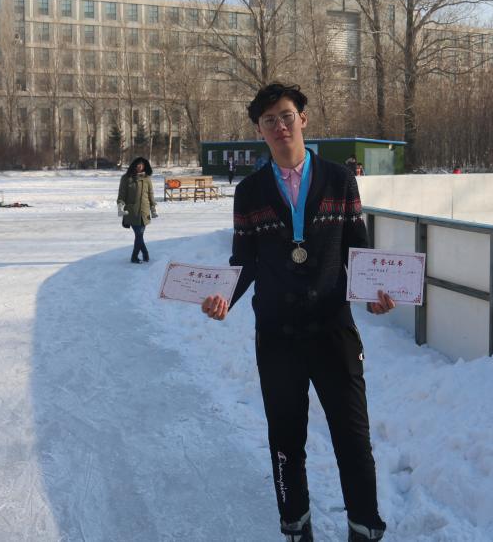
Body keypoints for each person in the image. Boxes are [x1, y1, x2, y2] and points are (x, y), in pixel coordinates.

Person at [201, 83, 393, 542]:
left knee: (353, 438)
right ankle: (296, 527)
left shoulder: (339, 180)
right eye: (269, 120)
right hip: (277, 335)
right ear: (259, 130)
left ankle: (365, 528)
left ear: (303, 119)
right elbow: (244, 261)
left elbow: (358, 253)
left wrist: (372, 295)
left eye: (287, 116)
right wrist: (225, 297)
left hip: (333, 330)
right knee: (286, 441)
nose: (280, 126)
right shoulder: (249, 192)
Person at [118, 157, 156, 264]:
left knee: (139, 235)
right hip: (132, 212)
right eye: (138, 165)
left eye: (142, 165)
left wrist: (153, 208)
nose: (140, 167)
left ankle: (145, 254)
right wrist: (120, 206)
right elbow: (122, 194)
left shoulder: (147, 178)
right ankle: (135, 257)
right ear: (134, 165)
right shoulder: (126, 178)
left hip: (144, 211)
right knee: (139, 234)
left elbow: (150, 194)